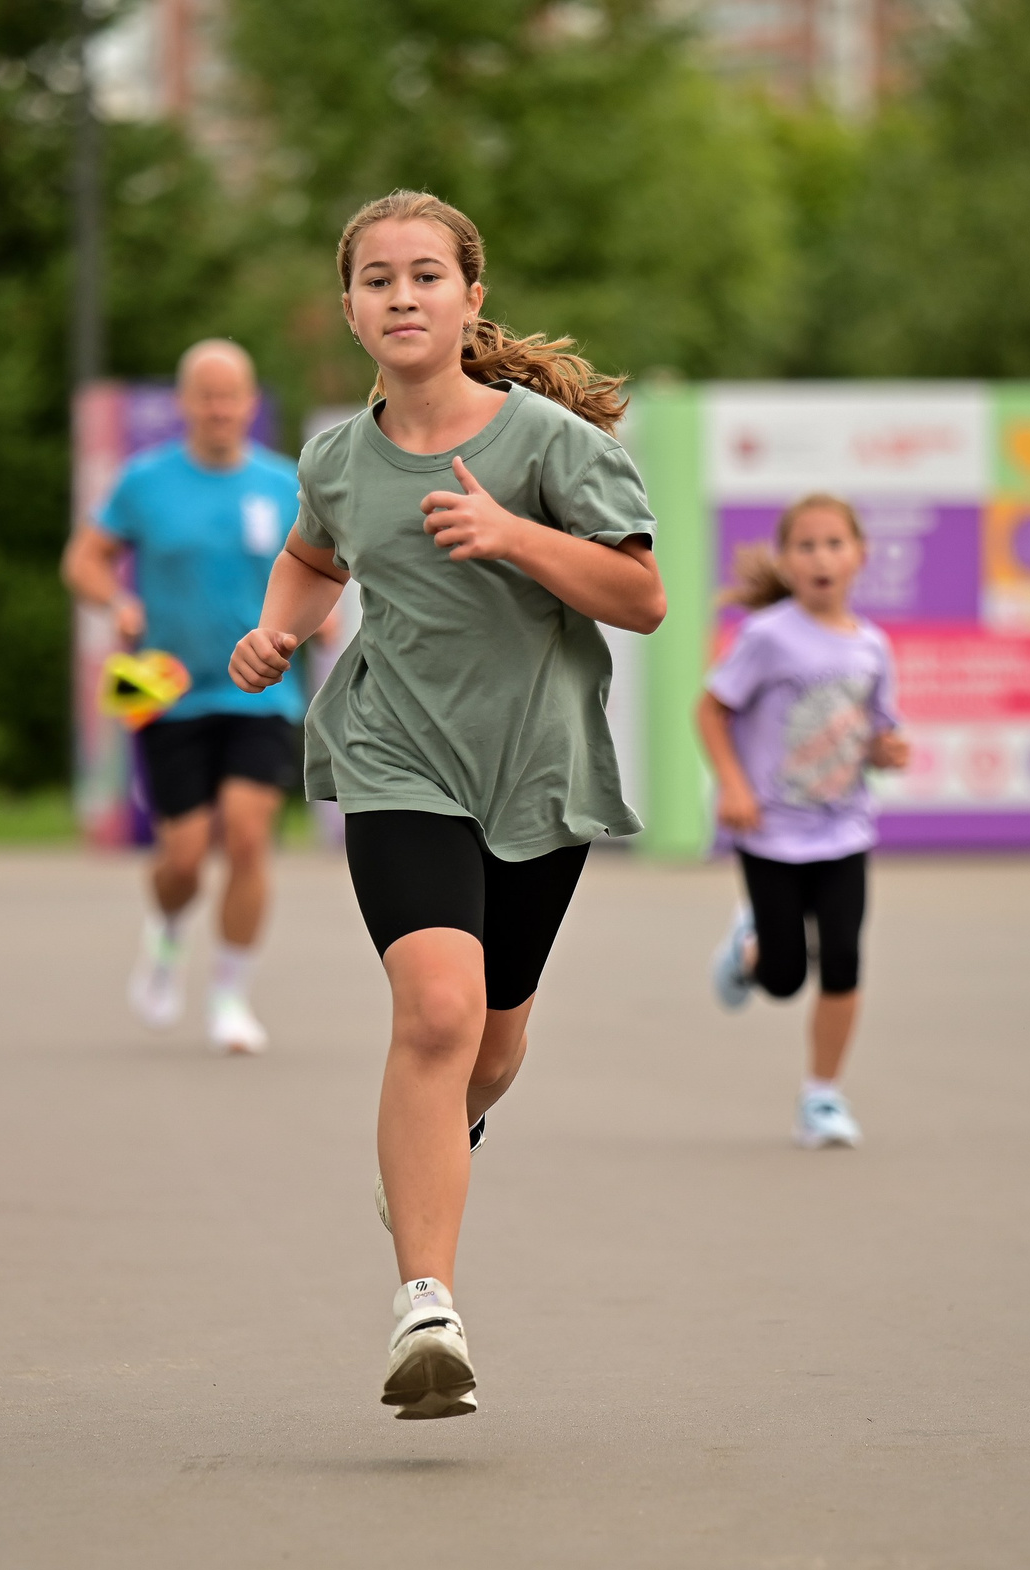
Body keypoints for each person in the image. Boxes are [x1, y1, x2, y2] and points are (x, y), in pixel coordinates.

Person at [230, 191, 664, 1420]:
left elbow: (639, 600)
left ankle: (428, 1154)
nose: (402, 296)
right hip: (395, 758)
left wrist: (512, 534)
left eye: (427, 275)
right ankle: (428, 1302)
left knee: (493, 1046)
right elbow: (315, 561)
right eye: (377, 279)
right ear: (352, 307)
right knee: (434, 1014)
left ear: (472, 298)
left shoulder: (545, 445)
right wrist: (277, 629)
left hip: (536, 770)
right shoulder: (333, 455)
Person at [63, 339, 303, 1056]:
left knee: (249, 833)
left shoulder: (285, 483)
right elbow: (83, 560)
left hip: (262, 690)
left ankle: (231, 995)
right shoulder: (146, 481)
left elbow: (328, 566)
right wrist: (116, 601)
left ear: (251, 402)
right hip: (167, 689)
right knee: (184, 856)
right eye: (206, 394)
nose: (219, 407)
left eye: (232, 394)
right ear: (184, 403)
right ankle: (167, 934)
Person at [697, 497, 908, 1148]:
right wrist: (733, 786)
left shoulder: (873, 646)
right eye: (807, 546)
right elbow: (710, 710)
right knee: (785, 977)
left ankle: (822, 1097)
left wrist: (886, 750)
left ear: (860, 555)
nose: (822, 557)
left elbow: (877, 730)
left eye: (835, 543)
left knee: (843, 958)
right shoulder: (768, 636)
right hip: (772, 831)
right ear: (786, 562)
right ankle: (749, 947)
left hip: (845, 830)